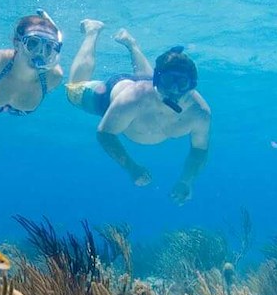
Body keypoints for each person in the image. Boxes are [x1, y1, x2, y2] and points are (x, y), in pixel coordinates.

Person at [64, 19, 212, 202]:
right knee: (72, 90)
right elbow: (105, 133)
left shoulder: (200, 114)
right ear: (159, 81)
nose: (174, 91)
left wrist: (186, 181)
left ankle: (132, 44)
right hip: (112, 93)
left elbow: (199, 150)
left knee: (146, 77)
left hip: (148, 87)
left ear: (192, 86)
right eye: (168, 82)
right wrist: (130, 166)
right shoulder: (132, 100)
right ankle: (92, 31)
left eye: (181, 84)